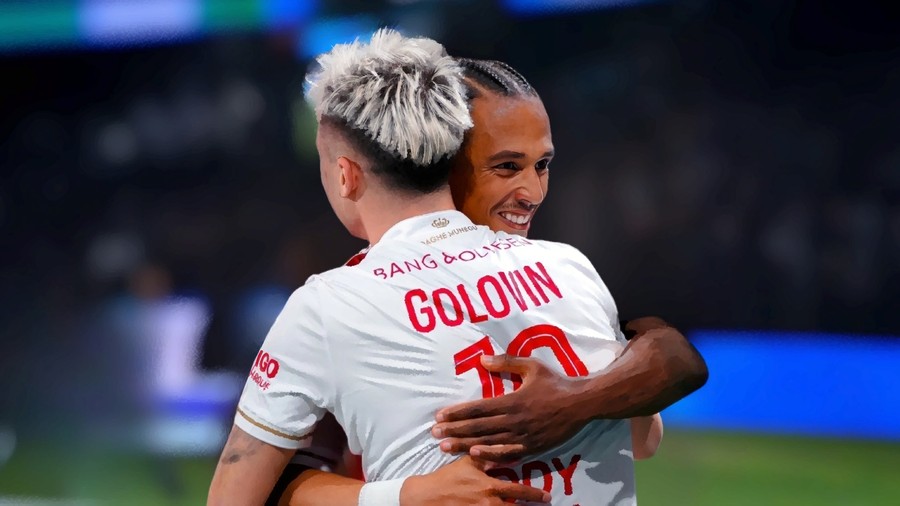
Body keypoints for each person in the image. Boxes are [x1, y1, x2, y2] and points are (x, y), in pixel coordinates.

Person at [208, 30, 706, 506]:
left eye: (542, 165)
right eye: (507, 166)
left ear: (344, 175)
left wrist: (403, 496)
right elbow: (644, 436)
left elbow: (236, 494)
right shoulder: (567, 265)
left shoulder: (332, 305)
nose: (532, 192)